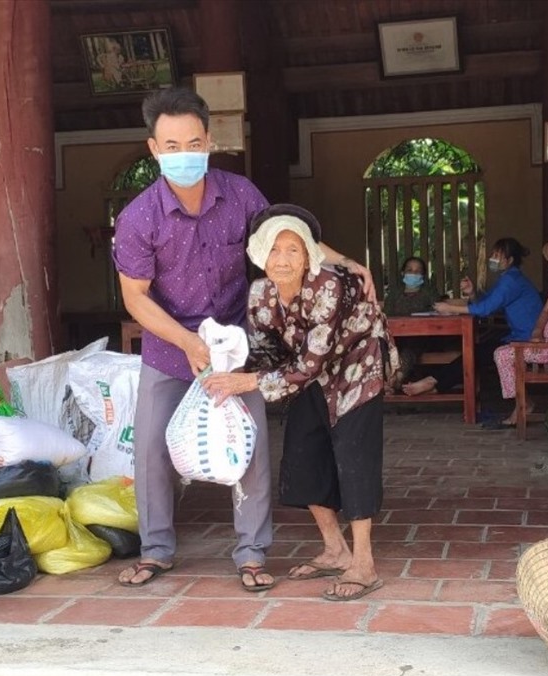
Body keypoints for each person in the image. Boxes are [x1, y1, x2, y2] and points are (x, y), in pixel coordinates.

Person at [112, 87, 375, 591]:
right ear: (153, 149)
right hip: (171, 345)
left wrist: (341, 260)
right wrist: (188, 343)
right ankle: (156, 550)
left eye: (193, 142)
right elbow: (136, 300)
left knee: (249, 446)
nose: (183, 153)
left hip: (239, 342)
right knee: (151, 450)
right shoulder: (138, 218)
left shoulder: (240, 194)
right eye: (171, 146)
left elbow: (288, 236)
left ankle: (252, 552)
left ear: (209, 140)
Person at [203, 204, 393, 601]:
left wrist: (248, 382)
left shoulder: (329, 285)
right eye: (274, 250)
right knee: (302, 456)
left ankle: (364, 563)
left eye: (293, 250)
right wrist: (220, 365)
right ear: (260, 254)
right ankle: (335, 549)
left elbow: (311, 362)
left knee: (354, 460)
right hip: (306, 374)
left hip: (358, 368)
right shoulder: (259, 294)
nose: (283, 259)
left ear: (308, 254)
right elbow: (266, 354)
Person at [401, 237, 543, 401]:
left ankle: (433, 382)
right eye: (493, 254)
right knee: (476, 351)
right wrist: (472, 293)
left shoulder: (511, 281)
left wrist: (450, 308)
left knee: (476, 353)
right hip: (517, 336)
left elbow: (484, 310)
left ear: (509, 260)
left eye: (497, 255)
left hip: (527, 339)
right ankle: (434, 383)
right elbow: (486, 303)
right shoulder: (508, 278)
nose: (492, 258)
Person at [492, 239, 548, 426]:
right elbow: (546, 312)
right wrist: (537, 333)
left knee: (502, 355)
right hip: (545, 344)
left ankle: (523, 405)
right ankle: (523, 403)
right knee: (501, 352)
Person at [383, 256, 441, 386]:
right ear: (403, 273)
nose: (413, 273)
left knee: (412, 345)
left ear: (423, 275)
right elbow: (385, 315)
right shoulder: (394, 293)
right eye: (410, 270)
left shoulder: (429, 292)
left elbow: (438, 311)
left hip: (422, 336)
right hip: (395, 335)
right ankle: (388, 375)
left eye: (417, 271)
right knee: (384, 343)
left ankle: (397, 378)